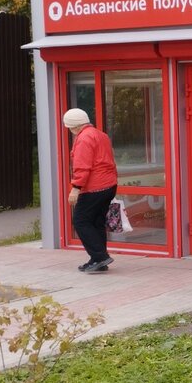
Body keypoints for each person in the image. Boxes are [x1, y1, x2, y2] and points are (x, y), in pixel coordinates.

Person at [63, 108, 118, 273]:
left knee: (81, 221)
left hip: (94, 187)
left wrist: (75, 188)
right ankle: (98, 260)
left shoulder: (83, 139)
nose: (70, 130)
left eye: (69, 127)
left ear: (74, 126)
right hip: (109, 185)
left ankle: (100, 257)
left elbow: (82, 166)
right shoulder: (101, 135)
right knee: (96, 222)